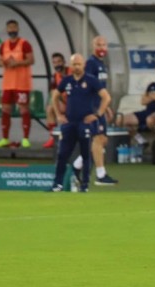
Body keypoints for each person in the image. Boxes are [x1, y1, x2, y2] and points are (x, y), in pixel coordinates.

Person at [51, 54, 112, 193]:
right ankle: (57, 184)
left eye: (79, 64)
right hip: (69, 122)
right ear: (70, 66)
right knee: (62, 154)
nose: (77, 67)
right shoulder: (67, 81)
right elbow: (54, 96)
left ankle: (84, 185)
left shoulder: (91, 80)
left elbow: (106, 97)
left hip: (85, 123)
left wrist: (97, 114)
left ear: (84, 65)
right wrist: (59, 115)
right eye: (74, 64)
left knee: (86, 153)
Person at [71, 36, 117, 186]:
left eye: (104, 45)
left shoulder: (102, 65)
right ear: (93, 47)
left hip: (99, 107)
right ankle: (100, 175)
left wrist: (106, 106)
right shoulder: (90, 64)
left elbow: (99, 88)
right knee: (98, 139)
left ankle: (76, 167)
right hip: (92, 109)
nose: (102, 48)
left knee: (101, 140)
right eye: (99, 45)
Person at [0, 20, 34, 148]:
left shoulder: (24, 44)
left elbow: (31, 59)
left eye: (14, 27)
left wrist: (17, 63)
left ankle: (25, 138)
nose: (12, 30)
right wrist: (3, 62)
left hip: (22, 83)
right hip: (7, 83)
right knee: (5, 109)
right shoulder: (4, 45)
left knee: (23, 109)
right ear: (7, 30)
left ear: (18, 28)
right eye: (9, 27)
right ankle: (5, 138)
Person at [120, 60, 155, 146]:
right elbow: (143, 101)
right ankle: (141, 140)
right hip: (148, 111)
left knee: (150, 120)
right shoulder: (152, 85)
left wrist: (150, 95)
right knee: (120, 120)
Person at [43, 52, 68, 149]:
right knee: (50, 109)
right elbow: (54, 95)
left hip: (76, 103)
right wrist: (59, 111)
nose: (57, 64)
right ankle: (52, 137)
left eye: (59, 62)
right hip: (64, 103)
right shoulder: (54, 77)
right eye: (54, 62)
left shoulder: (72, 72)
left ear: (64, 62)